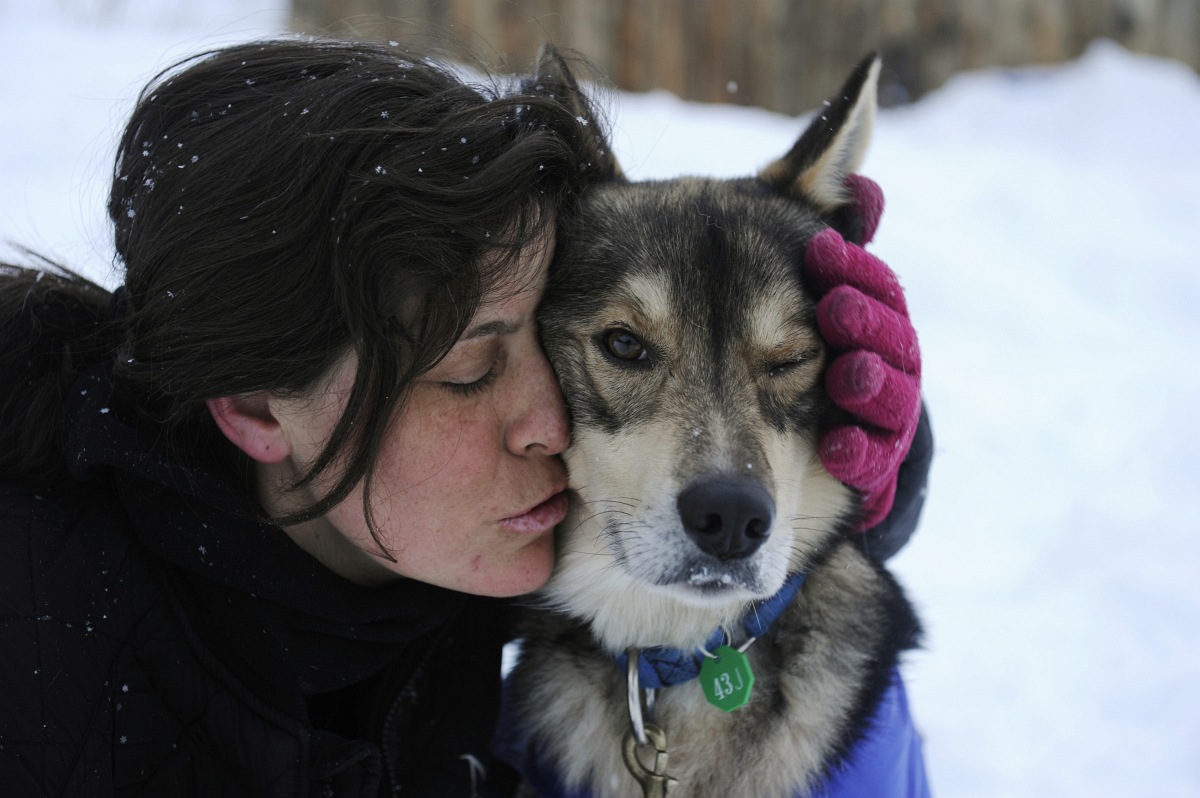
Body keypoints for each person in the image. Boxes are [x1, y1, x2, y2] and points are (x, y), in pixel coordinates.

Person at [0, 38, 930, 797]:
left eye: (539, 340)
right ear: (254, 405)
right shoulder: (67, 695)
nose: (547, 422)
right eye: (472, 366)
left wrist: (873, 457)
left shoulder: (437, 561)